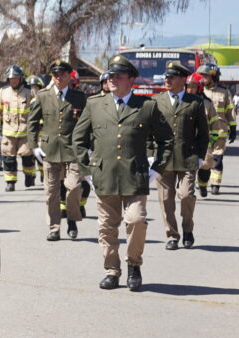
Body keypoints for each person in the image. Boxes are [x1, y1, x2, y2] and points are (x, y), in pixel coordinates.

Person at [72, 55, 172, 291]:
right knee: (107, 227)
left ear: (131, 81)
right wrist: (87, 172)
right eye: (111, 76)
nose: (113, 80)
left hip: (135, 177)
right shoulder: (95, 104)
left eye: (119, 76)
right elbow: (78, 139)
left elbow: (166, 140)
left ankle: (134, 265)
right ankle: (112, 270)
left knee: (136, 220)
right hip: (104, 177)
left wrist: (157, 169)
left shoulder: (146, 106)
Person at [27, 60, 88, 241]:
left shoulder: (79, 97)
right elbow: (32, 123)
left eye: (62, 74)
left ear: (69, 76)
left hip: (73, 150)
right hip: (50, 150)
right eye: (55, 75)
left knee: (74, 188)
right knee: (52, 193)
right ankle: (54, 228)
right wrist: (34, 146)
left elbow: (87, 124)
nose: (58, 78)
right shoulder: (43, 96)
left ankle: (72, 219)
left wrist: (89, 147)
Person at [152, 62, 209, 250]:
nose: (167, 80)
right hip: (163, 159)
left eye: (172, 77)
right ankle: (172, 235)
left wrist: (201, 156)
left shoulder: (195, 102)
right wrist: (151, 155)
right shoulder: (156, 101)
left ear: (183, 80)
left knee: (186, 196)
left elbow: (203, 133)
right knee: (165, 199)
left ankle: (187, 229)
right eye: (166, 77)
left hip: (188, 157)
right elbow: (149, 131)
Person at [0, 65, 36, 191]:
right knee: (8, 158)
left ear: (21, 78)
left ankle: (29, 175)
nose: (13, 81)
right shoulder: (3, 92)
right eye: (11, 79)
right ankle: (10, 182)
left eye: (16, 78)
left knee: (27, 157)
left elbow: (37, 110)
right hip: (8, 132)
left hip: (25, 132)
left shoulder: (29, 92)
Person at [196, 64, 235, 194]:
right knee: (204, 161)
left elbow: (230, 110)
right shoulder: (199, 92)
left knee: (217, 159)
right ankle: (202, 182)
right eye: (201, 75)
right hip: (202, 133)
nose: (202, 78)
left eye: (205, 75)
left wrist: (233, 127)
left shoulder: (223, 92)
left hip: (220, 132)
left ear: (213, 76)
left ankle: (215, 184)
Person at [187, 73, 221, 197]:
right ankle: (188, 189)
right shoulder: (182, 101)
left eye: (193, 86)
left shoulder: (207, 103)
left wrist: (212, 140)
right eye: (188, 86)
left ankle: (202, 185)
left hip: (204, 141)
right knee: (187, 168)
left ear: (199, 88)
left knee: (206, 165)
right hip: (187, 141)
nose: (190, 89)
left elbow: (215, 123)